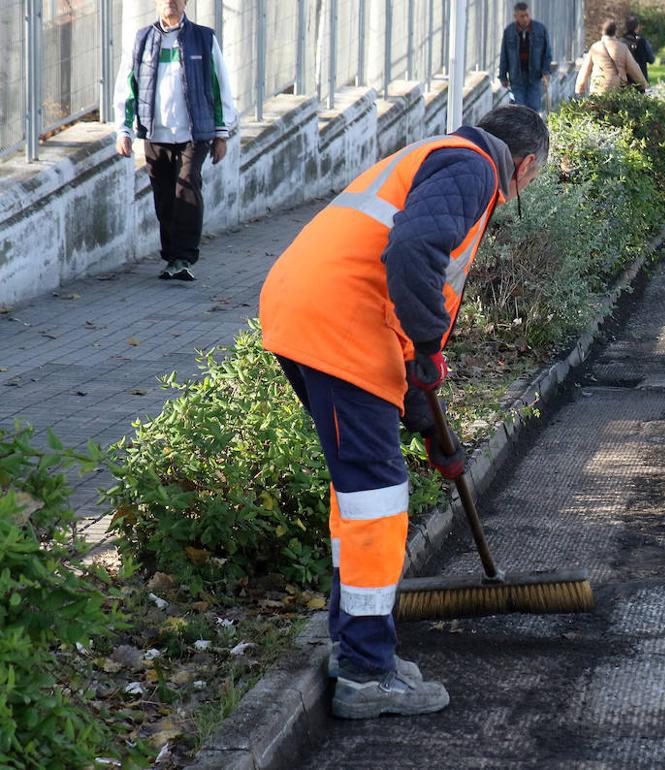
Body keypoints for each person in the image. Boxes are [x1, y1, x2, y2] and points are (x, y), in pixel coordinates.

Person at [258, 105, 549, 720]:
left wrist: (426, 417)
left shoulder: (440, 155)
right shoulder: (472, 170)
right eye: (533, 181)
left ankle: (354, 647)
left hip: (313, 315)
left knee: (361, 492)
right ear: (523, 166)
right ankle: (367, 671)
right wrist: (423, 345)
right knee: (377, 496)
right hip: (339, 326)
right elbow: (414, 250)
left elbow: (408, 279)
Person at [114, 0, 236, 282]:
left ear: (185, 2)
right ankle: (171, 258)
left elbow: (221, 85)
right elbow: (126, 85)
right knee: (165, 196)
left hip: (194, 133)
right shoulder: (142, 39)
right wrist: (124, 130)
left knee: (187, 188)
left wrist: (221, 132)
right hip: (156, 134)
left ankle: (183, 257)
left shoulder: (204, 38)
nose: (170, 2)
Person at [498, 2, 553, 113]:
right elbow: (504, 55)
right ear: (515, 16)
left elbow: (547, 53)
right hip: (516, 76)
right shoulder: (509, 31)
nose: (525, 18)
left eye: (527, 15)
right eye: (522, 16)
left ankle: (532, 130)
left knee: (534, 108)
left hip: (534, 76)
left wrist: (546, 71)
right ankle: (520, 130)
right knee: (518, 109)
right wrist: (503, 76)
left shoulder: (540, 30)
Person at [576, 20, 648, 96]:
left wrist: (580, 87)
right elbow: (634, 68)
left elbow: (585, 69)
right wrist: (643, 84)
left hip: (598, 89)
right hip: (617, 89)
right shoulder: (622, 48)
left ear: (603, 31)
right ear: (615, 32)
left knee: (597, 106)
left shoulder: (595, 48)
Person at [621, 16, 656, 88]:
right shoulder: (643, 42)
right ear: (637, 27)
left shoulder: (620, 42)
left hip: (625, 81)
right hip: (640, 81)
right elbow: (651, 59)